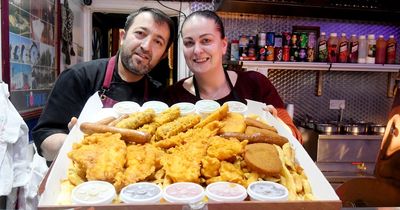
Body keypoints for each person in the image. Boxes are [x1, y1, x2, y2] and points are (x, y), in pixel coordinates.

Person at [32, 7, 175, 162]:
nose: (146, 46)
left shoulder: (160, 96)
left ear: (163, 56)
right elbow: (44, 140)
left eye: (158, 42)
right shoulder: (79, 77)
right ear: (123, 37)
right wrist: (76, 141)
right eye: (140, 33)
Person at [163, 10, 302, 142]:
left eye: (206, 40)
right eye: (189, 43)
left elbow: (296, 138)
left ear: (223, 45)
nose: (197, 50)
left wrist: (274, 125)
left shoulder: (255, 84)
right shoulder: (172, 96)